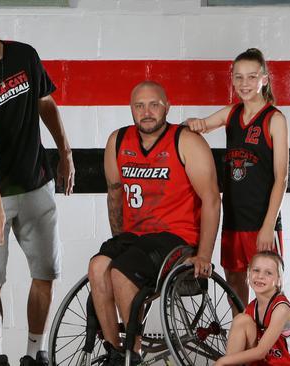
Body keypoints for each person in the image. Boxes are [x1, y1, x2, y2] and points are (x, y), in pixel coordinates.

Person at [0, 4, 75, 366]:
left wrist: (65, 152)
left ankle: (35, 355)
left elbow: (46, 104)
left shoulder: (25, 55)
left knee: (46, 273)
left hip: (36, 182)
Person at [87, 80, 221, 366]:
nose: (146, 112)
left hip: (176, 238)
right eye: (139, 106)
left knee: (122, 272)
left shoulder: (185, 141)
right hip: (136, 236)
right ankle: (114, 351)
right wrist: (118, 241)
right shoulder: (118, 141)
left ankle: (131, 354)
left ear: (167, 106)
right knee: (98, 266)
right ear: (131, 109)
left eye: (154, 104)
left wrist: (205, 254)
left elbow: (211, 199)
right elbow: (114, 196)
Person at [186, 48, 289, 307]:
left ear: (264, 78)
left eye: (252, 77)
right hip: (233, 219)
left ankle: (270, 345)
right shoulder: (231, 113)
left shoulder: (274, 119)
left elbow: (282, 179)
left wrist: (268, 226)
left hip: (260, 221)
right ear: (231, 79)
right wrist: (191, 124)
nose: (245, 84)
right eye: (239, 77)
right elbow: (203, 125)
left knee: (267, 288)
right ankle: (243, 340)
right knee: (235, 284)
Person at [215, 251, 290, 366]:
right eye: (256, 270)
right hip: (265, 363)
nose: (260, 276)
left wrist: (223, 361)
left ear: (279, 280)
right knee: (241, 320)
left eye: (268, 273)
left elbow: (260, 352)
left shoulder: (281, 309)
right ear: (248, 274)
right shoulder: (253, 307)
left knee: (225, 361)